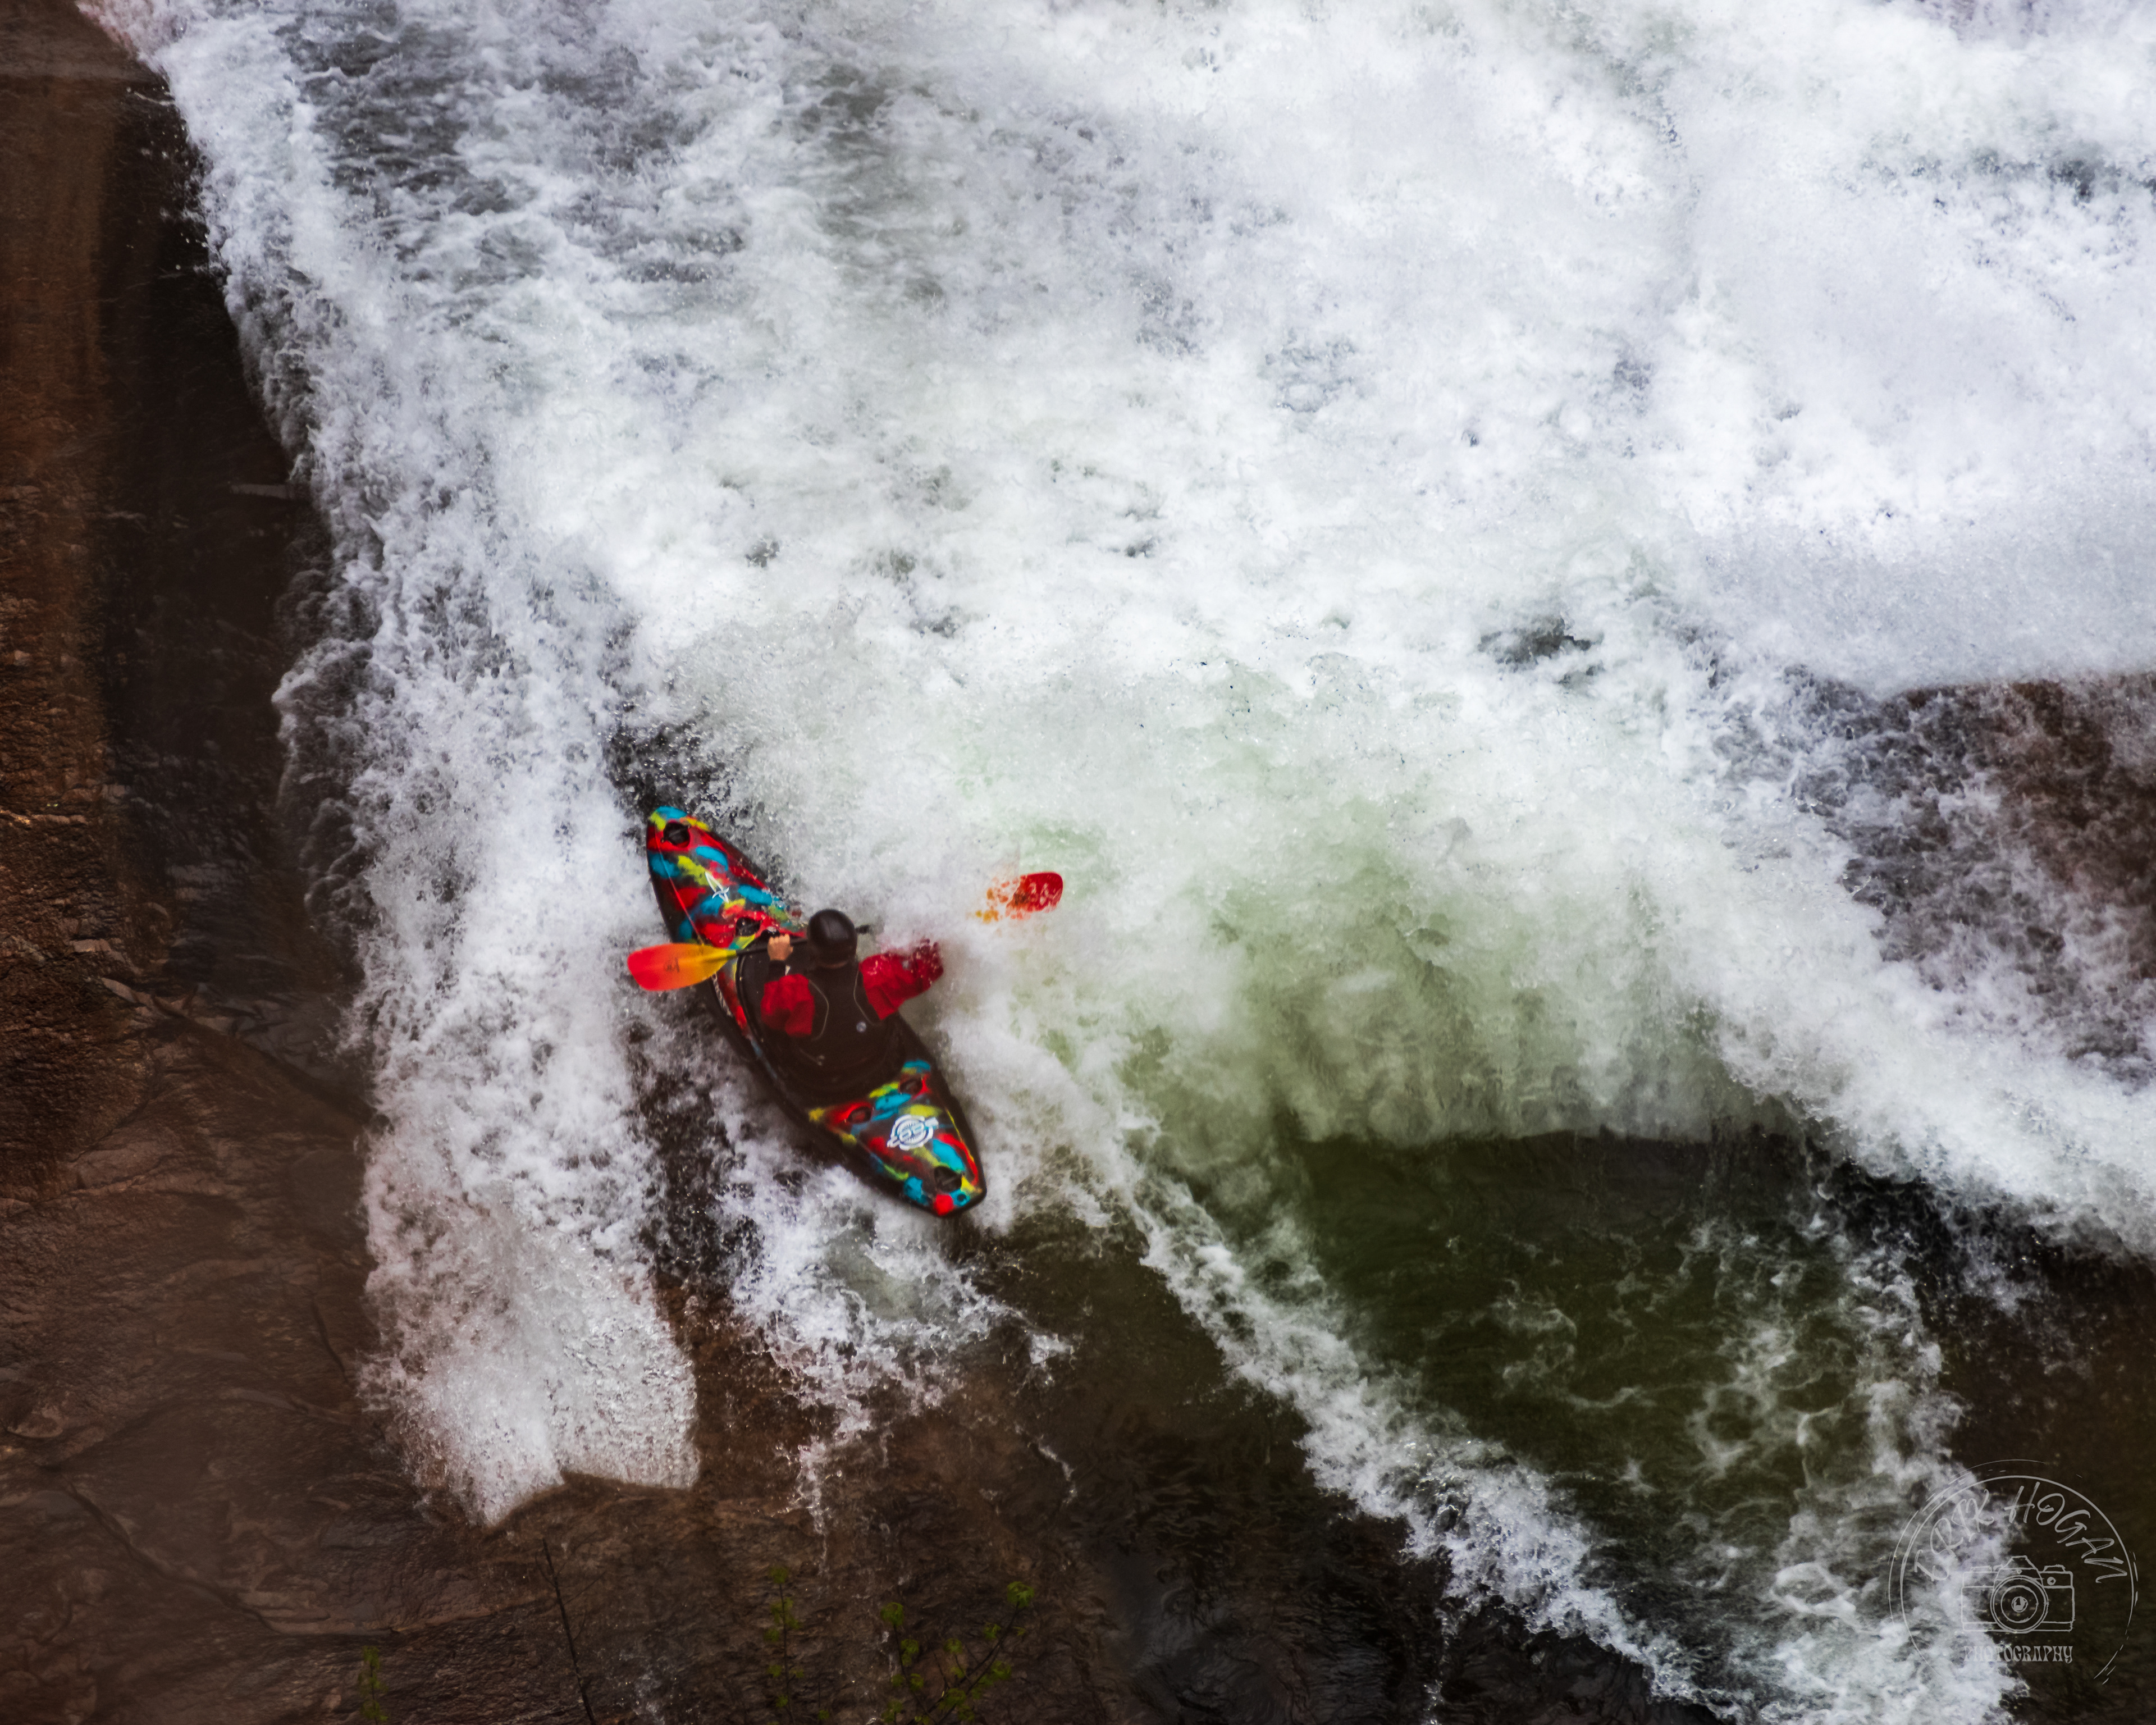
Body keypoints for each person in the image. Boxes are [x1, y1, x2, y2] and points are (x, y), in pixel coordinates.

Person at [758, 909, 942, 1092]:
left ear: (812, 951)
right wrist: (922, 935)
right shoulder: (879, 973)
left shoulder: (794, 990)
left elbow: (771, 1017)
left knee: (776, 1031)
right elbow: (930, 968)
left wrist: (777, 962)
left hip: (819, 1073)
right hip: (876, 1061)